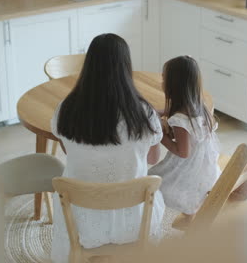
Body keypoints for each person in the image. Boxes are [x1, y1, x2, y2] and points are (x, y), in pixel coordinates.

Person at [50, 34, 164, 262]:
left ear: (89, 64)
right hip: (134, 220)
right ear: (126, 66)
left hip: (82, 222)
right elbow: (152, 158)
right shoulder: (144, 113)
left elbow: (68, 151)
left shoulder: (67, 109)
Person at [148, 56, 220, 224]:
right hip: (206, 166)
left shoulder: (180, 120)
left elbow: (183, 152)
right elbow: (167, 110)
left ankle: (176, 217)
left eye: (164, 78)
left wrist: (160, 134)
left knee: (151, 180)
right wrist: (154, 113)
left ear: (174, 84)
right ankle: (190, 215)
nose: (162, 83)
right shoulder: (197, 105)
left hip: (189, 169)